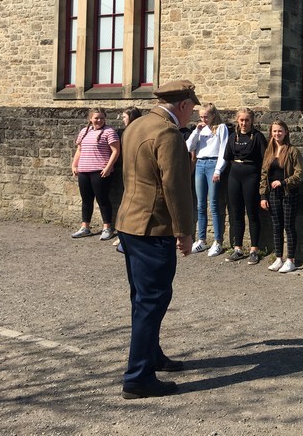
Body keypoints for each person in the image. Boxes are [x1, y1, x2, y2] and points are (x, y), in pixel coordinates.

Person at [116, 79, 199, 398]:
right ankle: (137, 377)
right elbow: (175, 187)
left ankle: (151, 355)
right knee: (152, 300)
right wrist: (185, 231)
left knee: (142, 296)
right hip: (153, 226)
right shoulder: (168, 134)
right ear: (182, 105)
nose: (192, 113)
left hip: (130, 221)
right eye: (192, 107)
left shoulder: (136, 125)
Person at [224, 108, 267, 264]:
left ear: (252, 121)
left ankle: (254, 249)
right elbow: (228, 157)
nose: (244, 123)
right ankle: (237, 248)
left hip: (251, 176)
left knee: (252, 213)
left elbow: (264, 161)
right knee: (236, 214)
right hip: (235, 175)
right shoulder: (232, 137)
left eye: (247, 120)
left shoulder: (258, 137)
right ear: (237, 120)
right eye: (241, 120)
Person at [260, 120, 303, 273]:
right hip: (273, 194)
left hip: (288, 193)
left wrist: (284, 182)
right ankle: (279, 258)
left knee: (289, 226)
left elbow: (299, 174)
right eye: (274, 131)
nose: (277, 134)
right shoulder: (269, 151)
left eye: (280, 131)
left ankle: (290, 260)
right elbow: (264, 174)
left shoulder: (293, 151)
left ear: (286, 132)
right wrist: (263, 196)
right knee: (276, 226)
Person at [70, 108, 121, 240]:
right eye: (96, 118)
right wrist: (74, 165)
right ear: (90, 119)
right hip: (84, 170)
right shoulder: (84, 131)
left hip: (100, 171)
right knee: (86, 200)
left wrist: (109, 167)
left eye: (102, 118)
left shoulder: (109, 132)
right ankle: (85, 227)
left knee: (102, 199)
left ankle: (107, 228)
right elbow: (79, 150)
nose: (99, 120)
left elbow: (116, 151)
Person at [186, 103, 229, 257]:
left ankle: (218, 241)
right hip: (200, 164)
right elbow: (188, 147)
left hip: (213, 163)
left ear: (213, 115)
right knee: (200, 204)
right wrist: (196, 131)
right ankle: (202, 239)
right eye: (201, 117)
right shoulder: (200, 129)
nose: (203, 119)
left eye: (206, 116)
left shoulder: (221, 127)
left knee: (214, 204)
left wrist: (218, 170)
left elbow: (224, 149)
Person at [112, 107, 143, 251]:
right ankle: (124, 236)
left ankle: (129, 237)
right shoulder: (127, 132)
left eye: (125, 117)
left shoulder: (137, 132)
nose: (123, 119)